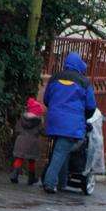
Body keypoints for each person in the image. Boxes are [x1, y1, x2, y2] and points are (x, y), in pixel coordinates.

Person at [42, 52, 97, 194]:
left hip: (54, 119)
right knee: (61, 151)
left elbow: (46, 99)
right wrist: (83, 117)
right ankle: (49, 183)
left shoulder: (55, 78)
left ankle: (62, 182)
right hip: (72, 123)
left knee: (60, 150)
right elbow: (91, 106)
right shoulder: (84, 82)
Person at [10, 97, 46, 185]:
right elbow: (43, 132)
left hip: (20, 141)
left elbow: (17, 129)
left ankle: (14, 174)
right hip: (33, 143)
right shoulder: (38, 122)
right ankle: (31, 178)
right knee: (31, 160)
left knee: (19, 158)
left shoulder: (22, 118)